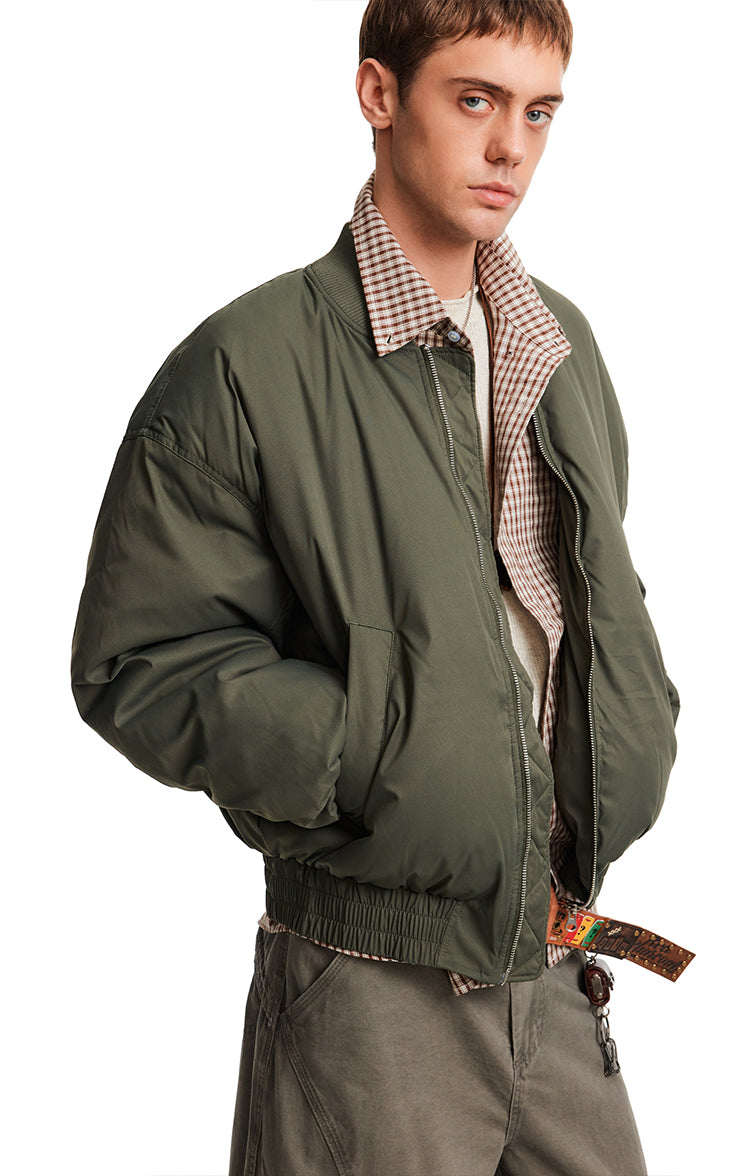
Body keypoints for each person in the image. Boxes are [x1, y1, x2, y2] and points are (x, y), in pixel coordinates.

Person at [71, 1, 680, 1172]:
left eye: (538, 113)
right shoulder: (247, 365)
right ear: (379, 94)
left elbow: (586, 601)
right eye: (475, 99)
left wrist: (634, 722)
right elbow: (140, 663)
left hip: (556, 965)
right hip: (368, 993)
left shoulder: (561, 347)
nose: (509, 147)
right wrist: (373, 752)